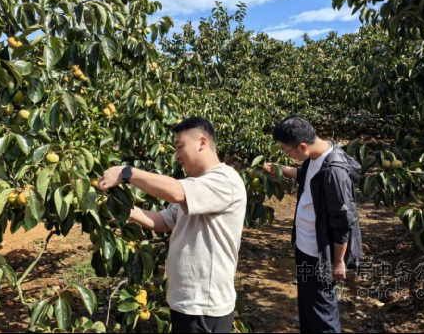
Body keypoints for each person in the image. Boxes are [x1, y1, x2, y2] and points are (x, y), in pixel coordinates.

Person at [99, 117, 247, 334]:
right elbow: (165, 221)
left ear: (202, 143)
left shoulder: (225, 180)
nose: (176, 156)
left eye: (180, 146)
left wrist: (127, 172)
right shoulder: (197, 185)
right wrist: (125, 210)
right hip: (187, 302)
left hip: (205, 306)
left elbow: (176, 191)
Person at [264, 116, 363, 334]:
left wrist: (338, 261)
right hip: (306, 246)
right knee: (309, 306)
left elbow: (342, 222)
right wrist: (282, 169)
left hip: (321, 254)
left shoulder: (335, 172)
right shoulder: (316, 155)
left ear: (302, 146)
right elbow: (306, 175)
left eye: (287, 151)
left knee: (322, 313)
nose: (287, 155)